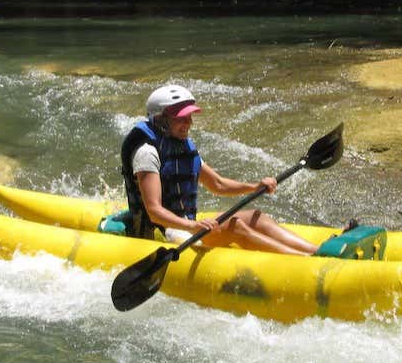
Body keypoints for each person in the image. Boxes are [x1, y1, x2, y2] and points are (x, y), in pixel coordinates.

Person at [119, 85, 318, 256]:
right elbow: (154, 212)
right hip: (164, 232)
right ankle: (305, 260)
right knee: (236, 227)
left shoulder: (182, 145)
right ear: (161, 120)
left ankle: (317, 251)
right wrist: (191, 226)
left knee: (257, 217)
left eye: (189, 116)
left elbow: (217, 184)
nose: (189, 123)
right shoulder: (147, 153)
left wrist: (255, 187)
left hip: (186, 225)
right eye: (181, 118)